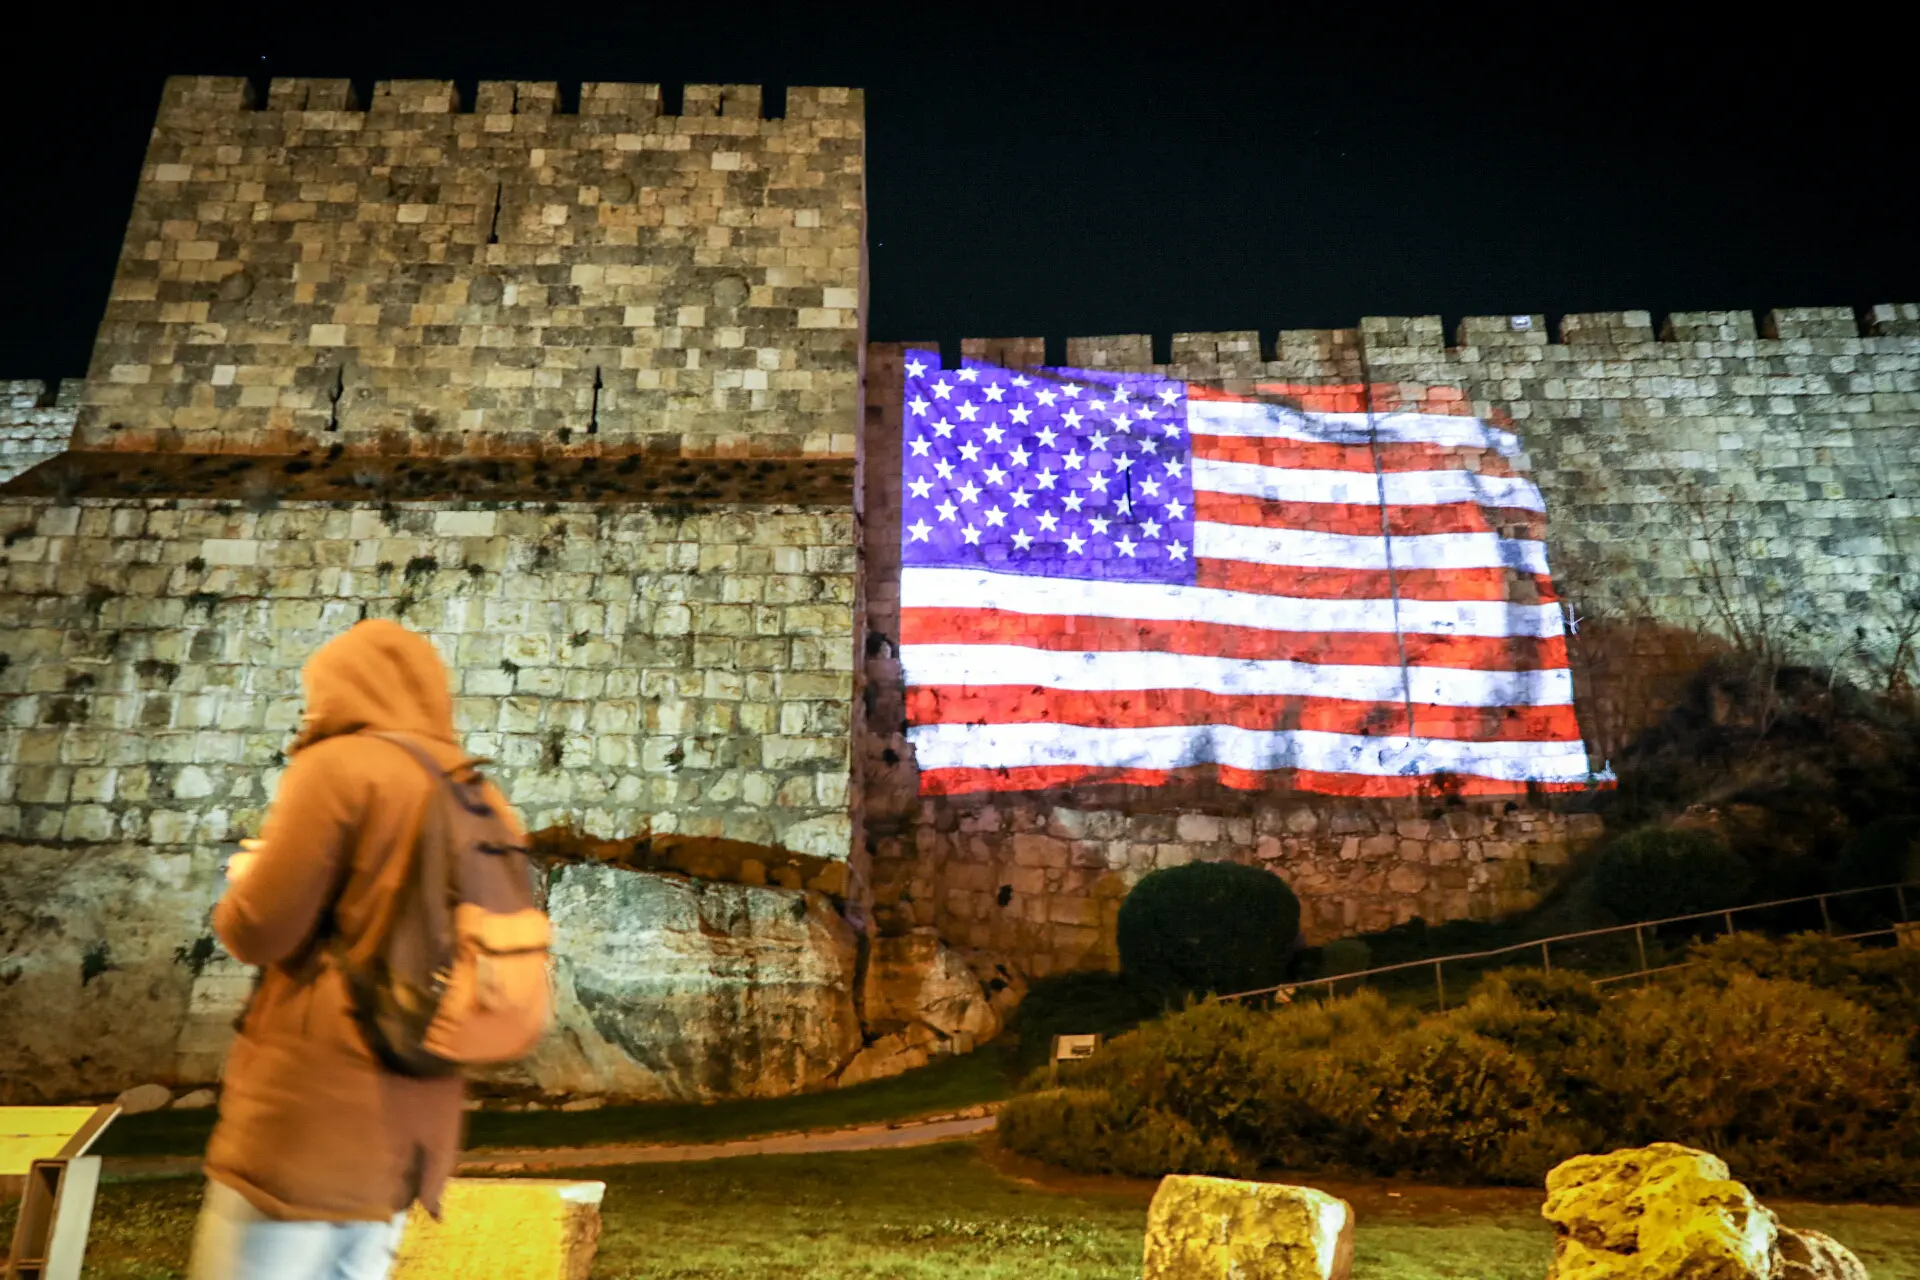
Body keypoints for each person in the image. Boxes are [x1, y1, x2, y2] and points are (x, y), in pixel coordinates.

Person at [188, 619, 520, 1280]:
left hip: (309, 1117)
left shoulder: (339, 769)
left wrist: (251, 878)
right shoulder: (478, 797)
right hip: (410, 1128)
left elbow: (259, 929)